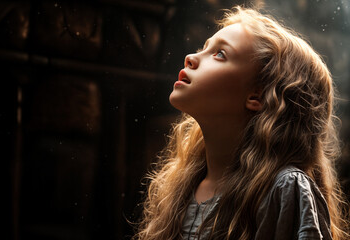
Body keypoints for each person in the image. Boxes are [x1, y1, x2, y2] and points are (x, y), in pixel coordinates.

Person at [133, 6, 349, 240]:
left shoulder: (283, 189)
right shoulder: (183, 186)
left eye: (219, 54)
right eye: (203, 48)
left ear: (257, 96)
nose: (191, 58)